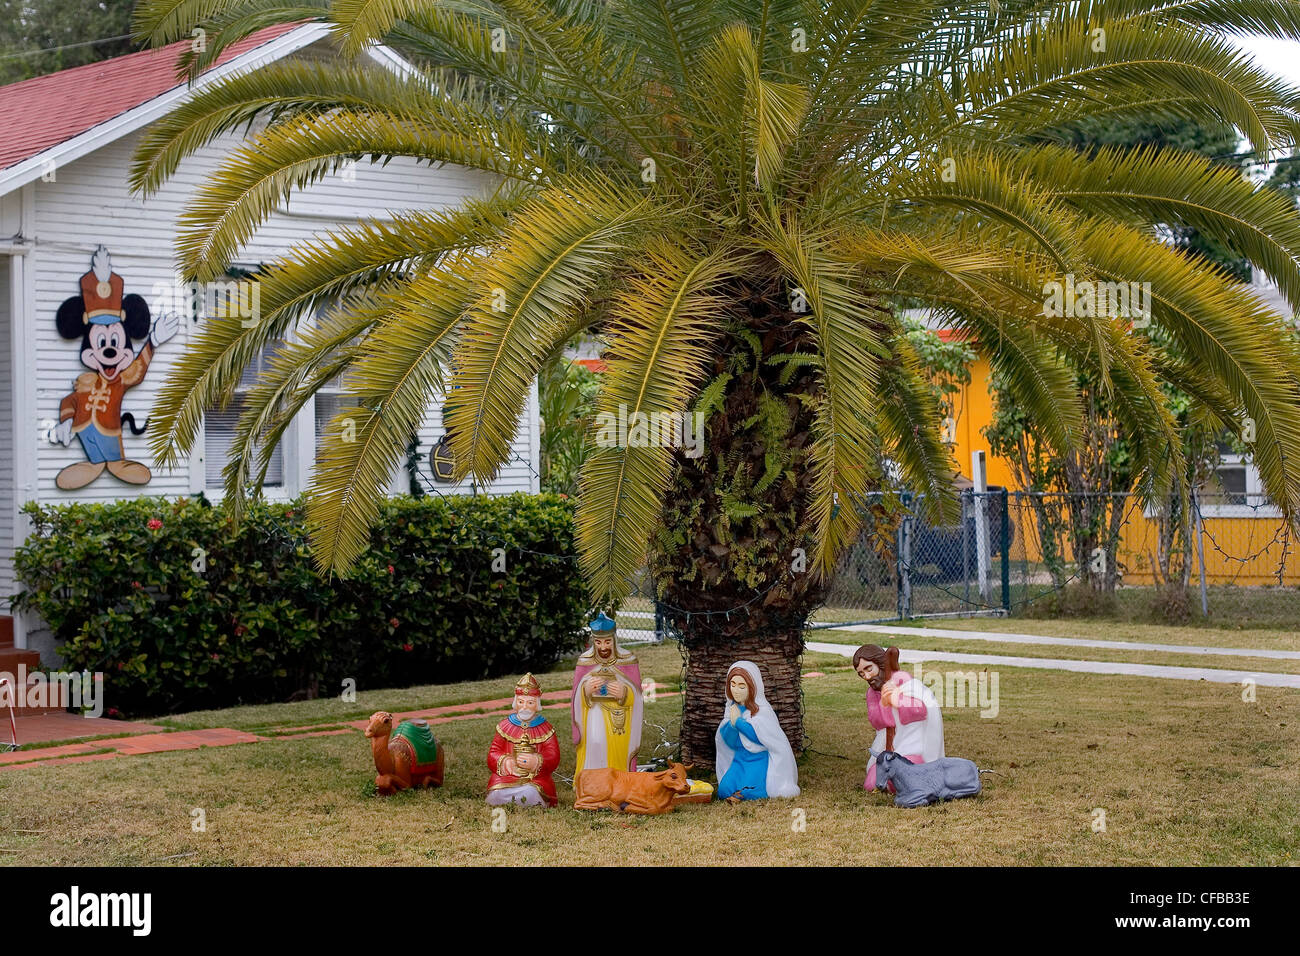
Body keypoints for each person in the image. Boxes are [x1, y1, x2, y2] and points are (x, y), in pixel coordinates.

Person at [571, 612, 643, 800]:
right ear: (593, 642)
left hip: (621, 720)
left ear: (614, 640)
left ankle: (620, 786)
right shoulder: (585, 661)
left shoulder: (628, 660)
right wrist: (585, 690)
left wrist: (625, 693)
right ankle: (592, 787)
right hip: (592, 715)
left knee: (618, 752)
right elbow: (575, 696)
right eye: (599, 643)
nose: (603, 647)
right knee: (595, 741)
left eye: (607, 642)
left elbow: (638, 695)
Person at [852, 644, 944, 792]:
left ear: (880, 664)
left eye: (869, 669)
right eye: (861, 674)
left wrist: (898, 699)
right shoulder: (872, 693)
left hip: (913, 746)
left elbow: (920, 711)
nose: (867, 677)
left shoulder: (905, 683)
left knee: (900, 780)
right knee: (871, 784)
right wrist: (883, 701)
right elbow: (879, 723)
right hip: (888, 749)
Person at [714, 660, 800, 801]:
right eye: (733, 685)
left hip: (758, 760)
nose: (736, 690)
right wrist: (731, 725)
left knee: (751, 789)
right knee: (724, 790)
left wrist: (739, 723)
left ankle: (747, 793)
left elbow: (762, 736)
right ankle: (737, 793)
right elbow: (728, 741)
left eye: (742, 686)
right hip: (739, 760)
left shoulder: (763, 711)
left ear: (753, 688)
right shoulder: (732, 709)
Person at [487, 673, 561, 807]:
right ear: (516, 702)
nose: (525, 707)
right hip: (507, 777)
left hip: (535, 779)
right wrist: (506, 762)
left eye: (530, 702)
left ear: (537, 704)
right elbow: (493, 752)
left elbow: (553, 755)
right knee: (496, 794)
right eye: (521, 702)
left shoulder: (546, 728)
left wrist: (536, 761)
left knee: (531, 793)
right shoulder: (505, 726)